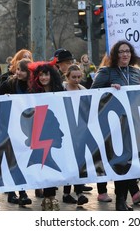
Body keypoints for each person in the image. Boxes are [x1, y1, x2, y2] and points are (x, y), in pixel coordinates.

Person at [91, 40, 140, 211]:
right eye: (121, 51)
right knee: (121, 163)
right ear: (115, 54)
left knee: (128, 163)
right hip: (114, 125)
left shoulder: (136, 71)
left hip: (133, 125)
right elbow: (92, 94)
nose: (125, 54)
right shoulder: (106, 72)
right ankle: (120, 201)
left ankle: (122, 200)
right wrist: (108, 89)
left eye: (128, 51)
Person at [27, 59, 63, 211]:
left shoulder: (61, 91)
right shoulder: (33, 93)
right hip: (40, 135)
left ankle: (51, 197)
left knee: (55, 163)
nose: (43, 78)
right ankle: (48, 197)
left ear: (51, 75)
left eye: (46, 75)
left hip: (55, 134)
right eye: (40, 75)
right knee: (45, 165)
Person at [0, 58, 33, 206]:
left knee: (22, 160)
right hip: (10, 126)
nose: (18, 73)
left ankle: (20, 191)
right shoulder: (9, 84)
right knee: (13, 160)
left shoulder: (33, 86)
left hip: (26, 128)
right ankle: (18, 192)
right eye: (18, 69)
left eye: (22, 70)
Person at [60, 64, 89, 206]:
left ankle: (79, 192)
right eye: (73, 77)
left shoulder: (83, 90)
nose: (76, 80)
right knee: (69, 163)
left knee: (79, 162)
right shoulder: (61, 88)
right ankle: (68, 193)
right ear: (67, 77)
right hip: (65, 131)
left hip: (80, 131)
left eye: (79, 77)